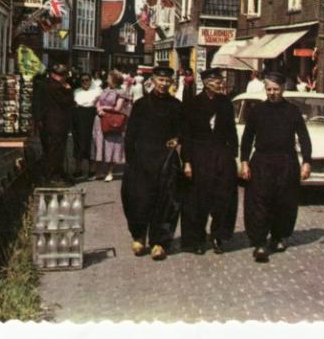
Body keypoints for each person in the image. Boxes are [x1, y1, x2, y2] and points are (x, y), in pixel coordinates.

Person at [239, 71, 312, 262]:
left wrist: (307, 161)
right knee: (259, 203)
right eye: (269, 89)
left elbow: (304, 137)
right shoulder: (256, 111)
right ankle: (260, 243)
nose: (272, 93)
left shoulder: (293, 111)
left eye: (276, 89)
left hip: (286, 161)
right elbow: (247, 138)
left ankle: (279, 236)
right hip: (262, 161)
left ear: (283, 89)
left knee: (284, 202)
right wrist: (244, 161)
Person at [123, 66, 183, 261]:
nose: (164, 84)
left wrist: (178, 139)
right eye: (161, 80)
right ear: (153, 80)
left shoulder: (176, 105)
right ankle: (139, 237)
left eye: (168, 81)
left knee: (165, 202)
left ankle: (160, 242)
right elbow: (131, 134)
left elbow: (183, 130)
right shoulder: (141, 105)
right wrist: (130, 159)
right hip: (142, 160)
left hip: (165, 160)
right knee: (139, 200)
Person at [179, 68, 239, 255]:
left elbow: (231, 131)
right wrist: (187, 161)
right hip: (199, 155)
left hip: (222, 154)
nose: (220, 84)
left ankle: (218, 236)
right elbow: (186, 134)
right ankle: (197, 239)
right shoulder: (193, 104)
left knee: (223, 198)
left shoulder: (226, 103)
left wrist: (233, 155)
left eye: (221, 80)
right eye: (216, 81)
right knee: (198, 200)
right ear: (205, 83)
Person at [34, 63, 74, 185]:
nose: (64, 78)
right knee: (56, 150)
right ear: (54, 75)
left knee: (50, 149)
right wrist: (68, 90)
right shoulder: (57, 87)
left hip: (47, 122)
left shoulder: (43, 85)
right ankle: (53, 176)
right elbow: (66, 102)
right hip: (57, 122)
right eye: (62, 75)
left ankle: (53, 174)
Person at [91, 71, 130, 182]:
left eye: (109, 77)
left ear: (115, 80)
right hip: (100, 119)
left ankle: (110, 172)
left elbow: (118, 108)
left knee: (111, 146)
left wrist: (104, 108)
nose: (107, 79)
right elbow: (98, 101)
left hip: (112, 121)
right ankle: (99, 172)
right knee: (99, 144)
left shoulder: (121, 92)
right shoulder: (105, 90)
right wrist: (99, 109)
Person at [71, 73, 100, 179]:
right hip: (78, 117)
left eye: (87, 80)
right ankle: (78, 169)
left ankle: (92, 169)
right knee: (78, 142)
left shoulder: (97, 91)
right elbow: (74, 103)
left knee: (91, 142)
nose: (85, 83)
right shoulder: (76, 91)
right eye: (82, 80)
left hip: (91, 116)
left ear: (90, 80)